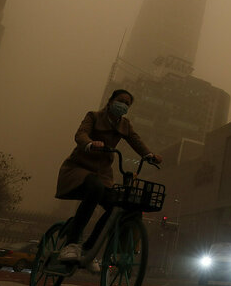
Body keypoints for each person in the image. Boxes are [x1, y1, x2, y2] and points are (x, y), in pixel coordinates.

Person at [55, 89, 162, 269]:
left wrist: (150, 155)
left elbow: (136, 141)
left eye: (127, 103)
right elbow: (80, 134)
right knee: (95, 188)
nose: (124, 105)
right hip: (79, 167)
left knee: (116, 205)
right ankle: (71, 244)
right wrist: (89, 143)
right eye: (121, 100)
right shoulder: (94, 116)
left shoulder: (125, 125)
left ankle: (89, 249)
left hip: (102, 173)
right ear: (111, 101)